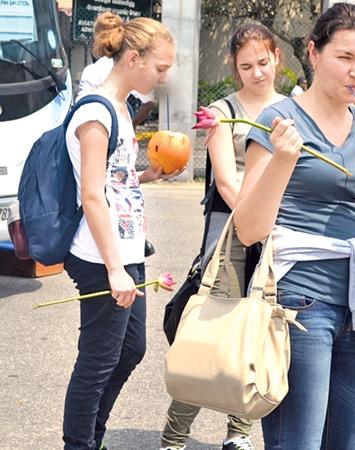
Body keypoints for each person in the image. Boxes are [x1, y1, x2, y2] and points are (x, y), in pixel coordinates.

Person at [233, 4, 355, 449]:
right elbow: (248, 228)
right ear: (313, 52)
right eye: (345, 57)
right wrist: (284, 160)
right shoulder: (278, 122)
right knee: (297, 443)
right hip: (298, 304)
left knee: (346, 443)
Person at [158, 23, 285, 450]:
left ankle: (239, 432)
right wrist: (258, 218)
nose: (257, 73)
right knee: (209, 332)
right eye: (247, 65)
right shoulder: (222, 111)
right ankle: (175, 435)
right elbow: (228, 184)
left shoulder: (292, 109)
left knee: (253, 326)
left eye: (263, 63)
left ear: (277, 59)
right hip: (230, 229)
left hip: (277, 231)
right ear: (235, 66)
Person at [61, 11, 177, 450]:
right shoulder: (96, 112)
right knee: (98, 359)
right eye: (160, 68)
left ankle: (94, 437)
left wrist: (147, 176)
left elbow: (114, 181)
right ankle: (81, 444)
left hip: (125, 251)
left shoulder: (121, 111)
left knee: (130, 350)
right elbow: (91, 195)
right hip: (99, 254)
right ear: (133, 58)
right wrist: (114, 269)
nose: (163, 77)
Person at [77, 55, 156, 128]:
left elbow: (81, 103)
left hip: (89, 121)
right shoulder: (124, 69)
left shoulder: (90, 70)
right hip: (106, 123)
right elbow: (150, 101)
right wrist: (133, 123)